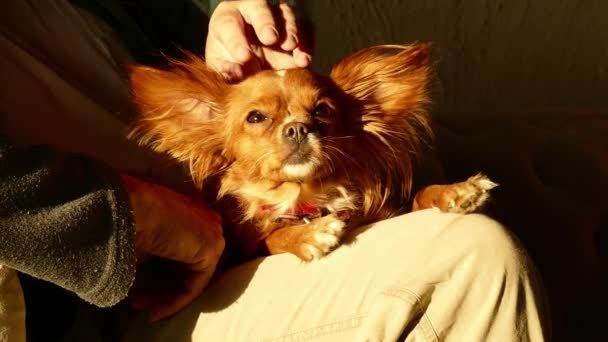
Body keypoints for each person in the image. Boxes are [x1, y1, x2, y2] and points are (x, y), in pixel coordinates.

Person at [0, 1, 549, 341]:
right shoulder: (207, 139)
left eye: (319, 116)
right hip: (125, 308)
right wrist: (126, 214)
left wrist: (223, 13)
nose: (298, 128)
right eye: (263, 120)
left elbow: (217, 43)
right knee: (475, 258)